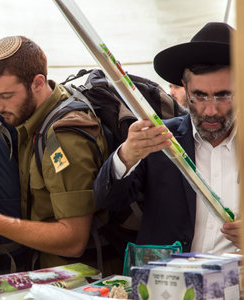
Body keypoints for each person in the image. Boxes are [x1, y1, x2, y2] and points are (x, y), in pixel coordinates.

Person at [0, 36, 109, 270]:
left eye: (5, 96)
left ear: (37, 83)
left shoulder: (63, 137)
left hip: (82, 282)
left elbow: (73, 240)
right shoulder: (33, 118)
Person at [93, 22, 239, 254]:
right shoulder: (160, 139)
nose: (210, 110)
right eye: (199, 96)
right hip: (165, 287)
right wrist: (127, 155)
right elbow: (107, 201)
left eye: (223, 96)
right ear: (185, 87)